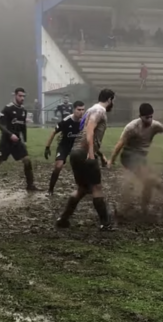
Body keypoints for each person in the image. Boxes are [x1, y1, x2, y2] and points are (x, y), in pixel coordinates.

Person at [107, 103, 163, 213]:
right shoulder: (131, 127)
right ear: (140, 116)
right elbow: (119, 144)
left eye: (151, 117)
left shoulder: (155, 125)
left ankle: (144, 208)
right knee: (149, 177)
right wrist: (111, 160)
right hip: (128, 156)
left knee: (147, 183)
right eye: (146, 117)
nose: (149, 120)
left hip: (141, 157)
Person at [56, 89, 116, 230]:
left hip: (75, 152)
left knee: (82, 188)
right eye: (113, 100)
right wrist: (91, 154)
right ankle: (105, 223)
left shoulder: (90, 110)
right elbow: (89, 130)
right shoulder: (99, 110)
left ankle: (63, 219)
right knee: (96, 187)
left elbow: (85, 134)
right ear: (110, 99)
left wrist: (99, 154)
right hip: (84, 153)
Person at [0, 87, 39, 191]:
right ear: (15, 96)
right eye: (20, 96)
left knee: (27, 160)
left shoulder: (23, 110)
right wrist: (10, 135)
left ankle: (30, 185)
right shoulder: (7, 109)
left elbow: (23, 127)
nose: (22, 98)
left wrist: (24, 140)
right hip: (5, 142)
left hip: (17, 142)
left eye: (23, 96)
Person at [44, 100, 86, 195]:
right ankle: (50, 189)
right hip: (64, 146)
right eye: (79, 109)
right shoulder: (66, 121)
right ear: (74, 110)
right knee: (58, 166)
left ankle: (82, 187)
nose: (81, 112)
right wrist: (47, 147)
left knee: (81, 166)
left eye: (83, 110)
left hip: (76, 146)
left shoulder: (84, 121)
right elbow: (53, 132)